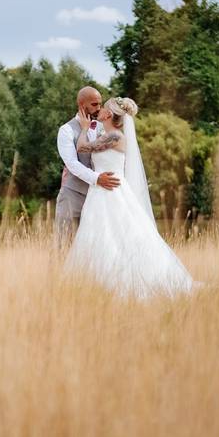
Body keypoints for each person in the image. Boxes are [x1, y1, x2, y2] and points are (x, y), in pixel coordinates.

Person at [64, 96, 196, 299]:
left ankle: (122, 284)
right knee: (101, 236)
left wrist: (83, 127)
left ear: (108, 114)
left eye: (103, 107)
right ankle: (96, 286)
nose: (99, 110)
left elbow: (82, 147)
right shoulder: (107, 135)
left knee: (118, 235)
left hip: (111, 191)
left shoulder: (115, 137)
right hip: (101, 191)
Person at [54, 86, 119, 245]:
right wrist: (97, 178)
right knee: (64, 246)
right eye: (95, 104)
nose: (99, 108)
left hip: (98, 197)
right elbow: (72, 163)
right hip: (72, 196)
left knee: (91, 248)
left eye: (100, 104)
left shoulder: (103, 127)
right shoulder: (66, 130)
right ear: (82, 106)